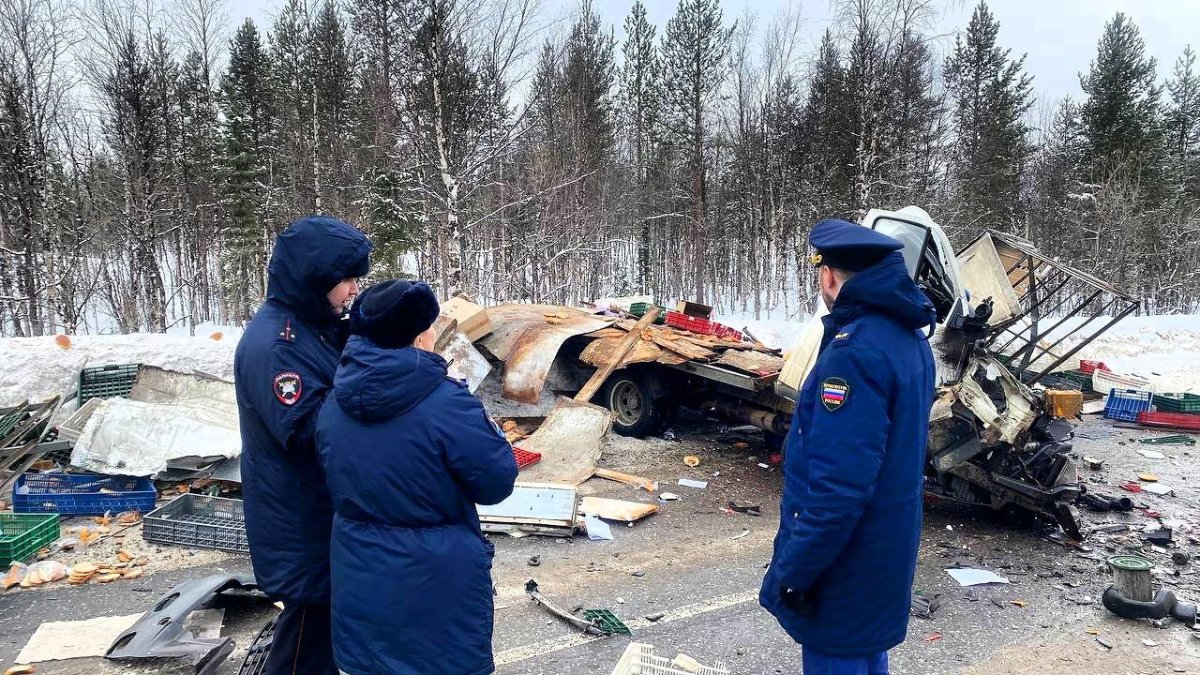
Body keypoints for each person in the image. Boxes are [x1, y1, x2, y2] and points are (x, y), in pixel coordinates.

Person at [759, 218, 937, 675]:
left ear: (829, 276)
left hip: (846, 562)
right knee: (866, 653)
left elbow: (838, 488)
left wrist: (797, 571)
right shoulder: (908, 337)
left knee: (841, 655)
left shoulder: (854, 352)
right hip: (884, 549)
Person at [315, 279, 519, 675]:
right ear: (419, 338)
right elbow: (496, 482)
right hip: (436, 585)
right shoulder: (447, 404)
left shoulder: (333, 404)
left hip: (359, 573)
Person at [234, 215, 372, 675]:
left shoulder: (311, 326)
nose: (353, 289)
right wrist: (372, 386)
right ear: (315, 279)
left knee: (324, 632)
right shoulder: (278, 345)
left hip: (320, 510)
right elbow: (308, 432)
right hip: (301, 517)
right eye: (346, 279)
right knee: (306, 640)